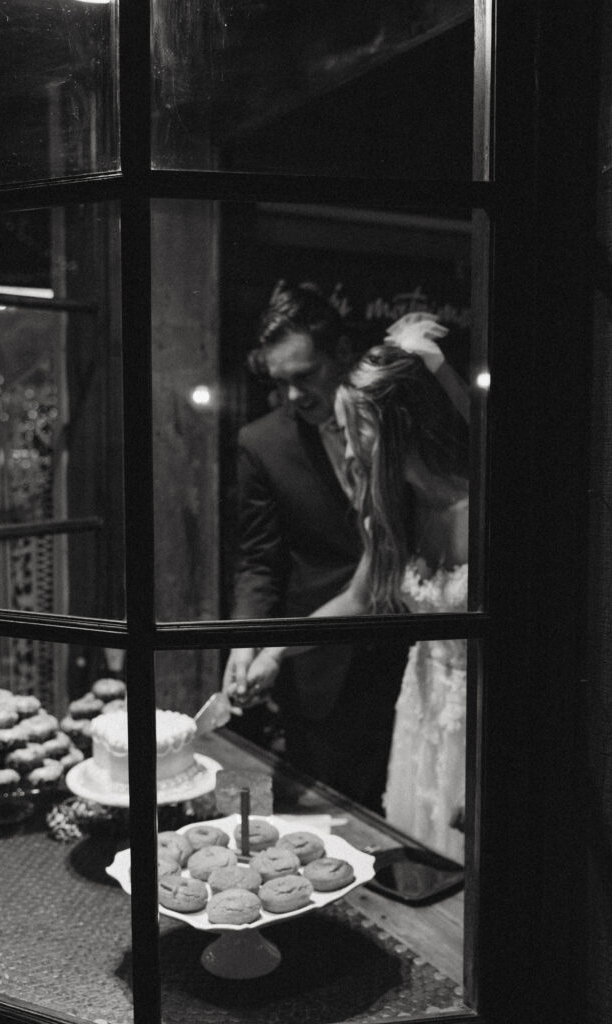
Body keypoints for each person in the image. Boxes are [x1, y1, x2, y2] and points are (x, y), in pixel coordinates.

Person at [236, 315, 470, 861]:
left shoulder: (484, 511)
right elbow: (359, 601)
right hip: (422, 711)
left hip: (478, 726)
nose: (347, 453)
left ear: (399, 425)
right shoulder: (400, 515)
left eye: (357, 431)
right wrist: (273, 649)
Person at [222, 282, 409, 813]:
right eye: (280, 383)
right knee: (328, 813)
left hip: (409, 646)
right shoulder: (262, 444)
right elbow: (259, 559)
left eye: (305, 376)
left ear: (342, 355)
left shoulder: (398, 422)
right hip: (316, 664)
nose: (293, 396)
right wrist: (245, 642)